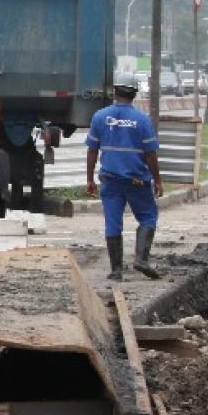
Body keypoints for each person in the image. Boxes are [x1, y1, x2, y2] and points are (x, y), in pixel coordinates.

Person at [85, 75, 164, 282]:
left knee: (113, 223)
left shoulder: (100, 117)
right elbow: (150, 154)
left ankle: (116, 270)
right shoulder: (142, 120)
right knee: (148, 217)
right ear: (135, 93)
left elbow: (92, 150)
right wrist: (157, 180)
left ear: (115, 91)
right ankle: (141, 259)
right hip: (137, 180)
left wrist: (90, 179)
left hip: (110, 181)